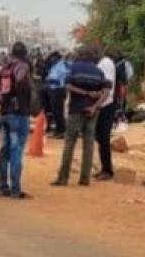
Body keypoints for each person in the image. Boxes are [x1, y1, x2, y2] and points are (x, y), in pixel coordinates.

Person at [51, 46, 109, 187]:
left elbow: (68, 86)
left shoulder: (74, 68)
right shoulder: (99, 72)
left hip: (76, 110)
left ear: (80, 55)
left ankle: (63, 178)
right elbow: (106, 91)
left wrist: (84, 93)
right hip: (93, 112)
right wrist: (95, 106)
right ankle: (84, 179)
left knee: (70, 143)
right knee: (88, 145)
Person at [0, 42, 33, 199]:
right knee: (16, 151)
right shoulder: (22, 66)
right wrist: (19, 100)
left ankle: (3, 187)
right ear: (25, 54)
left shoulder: (5, 68)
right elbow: (20, 79)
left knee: (4, 150)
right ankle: (15, 189)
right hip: (18, 115)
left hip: (5, 113)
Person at [94, 48, 116, 181]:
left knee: (103, 138)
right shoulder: (102, 63)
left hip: (106, 104)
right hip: (103, 103)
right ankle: (104, 167)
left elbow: (107, 87)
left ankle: (107, 169)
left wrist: (98, 102)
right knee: (100, 137)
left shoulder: (106, 63)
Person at [44, 51, 69, 139]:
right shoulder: (54, 66)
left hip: (58, 90)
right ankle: (57, 131)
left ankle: (61, 131)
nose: (51, 59)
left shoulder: (61, 66)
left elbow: (62, 80)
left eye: (52, 58)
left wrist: (50, 81)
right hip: (53, 90)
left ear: (56, 58)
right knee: (54, 112)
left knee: (58, 112)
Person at [113, 52, 133, 131]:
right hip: (121, 85)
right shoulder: (126, 64)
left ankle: (117, 120)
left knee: (117, 103)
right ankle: (121, 119)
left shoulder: (113, 63)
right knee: (121, 102)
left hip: (115, 86)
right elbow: (130, 74)